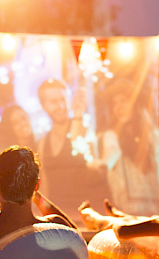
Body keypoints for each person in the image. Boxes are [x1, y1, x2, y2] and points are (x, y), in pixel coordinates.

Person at [36, 78, 109, 219]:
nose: (61, 106)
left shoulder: (84, 128)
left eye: (63, 99)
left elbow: (92, 164)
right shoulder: (42, 143)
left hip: (86, 218)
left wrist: (77, 116)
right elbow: (45, 188)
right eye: (53, 102)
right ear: (43, 106)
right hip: (60, 220)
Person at [94, 78, 159, 216]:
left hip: (153, 210)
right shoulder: (111, 137)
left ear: (134, 104)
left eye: (124, 101)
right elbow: (107, 163)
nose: (119, 107)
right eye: (114, 104)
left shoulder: (152, 135)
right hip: (126, 211)